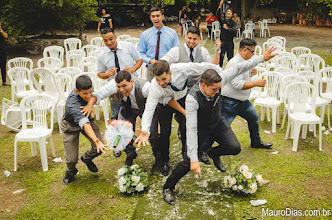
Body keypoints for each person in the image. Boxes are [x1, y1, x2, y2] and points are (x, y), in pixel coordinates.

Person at [162, 47, 277, 205]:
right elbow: (191, 129)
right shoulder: (192, 99)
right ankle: (168, 187)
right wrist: (195, 159)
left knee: (234, 147)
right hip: (200, 127)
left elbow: (240, 67)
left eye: (219, 89)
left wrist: (262, 58)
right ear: (203, 86)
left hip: (217, 122)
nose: (218, 92)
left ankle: (212, 153)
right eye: (214, 90)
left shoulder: (220, 78)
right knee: (188, 161)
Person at [161, 25, 221, 164]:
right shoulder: (176, 51)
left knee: (199, 123)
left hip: (198, 91)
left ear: (199, 39)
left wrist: (217, 50)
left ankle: (195, 152)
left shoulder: (203, 51)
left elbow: (213, 67)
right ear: (185, 37)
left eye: (194, 39)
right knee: (178, 124)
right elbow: (164, 63)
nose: (191, 41)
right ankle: (175, 156)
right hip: (179, 92)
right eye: (189, 38)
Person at [81, 71, 165, 166]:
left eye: (124, 86)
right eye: (118, 87)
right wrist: (89, 105)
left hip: (146, 109)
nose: (121, 89)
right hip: (127, 108)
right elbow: (99, 94)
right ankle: (130, 154)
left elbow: (161, 96)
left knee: (153, 135)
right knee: (121, 132)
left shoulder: (145, 87)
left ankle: (159, 158)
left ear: (131, 81)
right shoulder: (113, 85)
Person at [220, 38, 273, 149]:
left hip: (243, 101)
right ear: (245, 50)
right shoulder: (235, 63)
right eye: (252, 52)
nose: (253, 55)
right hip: (230, 102)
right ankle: (204, 149)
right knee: (221, 128)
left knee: (254, 118)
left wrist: (250, 73)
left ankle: (256, 142)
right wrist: (256, 83)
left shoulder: (245, 62)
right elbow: (237, 84)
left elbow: (242, 77)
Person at [61, 75, 108, 184]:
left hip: (87, 119)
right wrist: (95, 139)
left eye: (90, 92)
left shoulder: (89, 90)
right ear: (77, 91)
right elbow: (84, 124)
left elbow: (95, 95)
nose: (89, 95)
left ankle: (86, 158)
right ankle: (70, 172)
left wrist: (90, 103)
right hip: (70, 125)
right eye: (85, 93)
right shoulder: (72, 103)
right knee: (72, 159)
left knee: (99, 147)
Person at [97, 27, 143, 120]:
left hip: (131, 86)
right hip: (115, 89)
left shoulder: (128, 46)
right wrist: (108, 74)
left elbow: (139, 60)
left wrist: (132, 69)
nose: (109, 42)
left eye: (111, 39)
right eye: (105, 41)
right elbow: (99, 73)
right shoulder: (102, 55)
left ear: (115, 36)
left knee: (134, 113)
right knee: (115, 115)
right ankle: (116, 133)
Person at [137, 7, 180, 82]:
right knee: (151, 92)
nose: (155, 19)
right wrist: (149, 61)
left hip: (167, 71)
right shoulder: (145, 35)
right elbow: (140, 53)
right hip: (151, 71)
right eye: (153, 16)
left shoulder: (172, 33)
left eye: (158, 16)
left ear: (162, 17)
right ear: (150, 18)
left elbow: (177, 51)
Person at [0, 21, 8, 86]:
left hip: (2, 51)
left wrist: (1, 30)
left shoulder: (2, 31)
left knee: (3, 66)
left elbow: (6, 36)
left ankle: (4, 81)